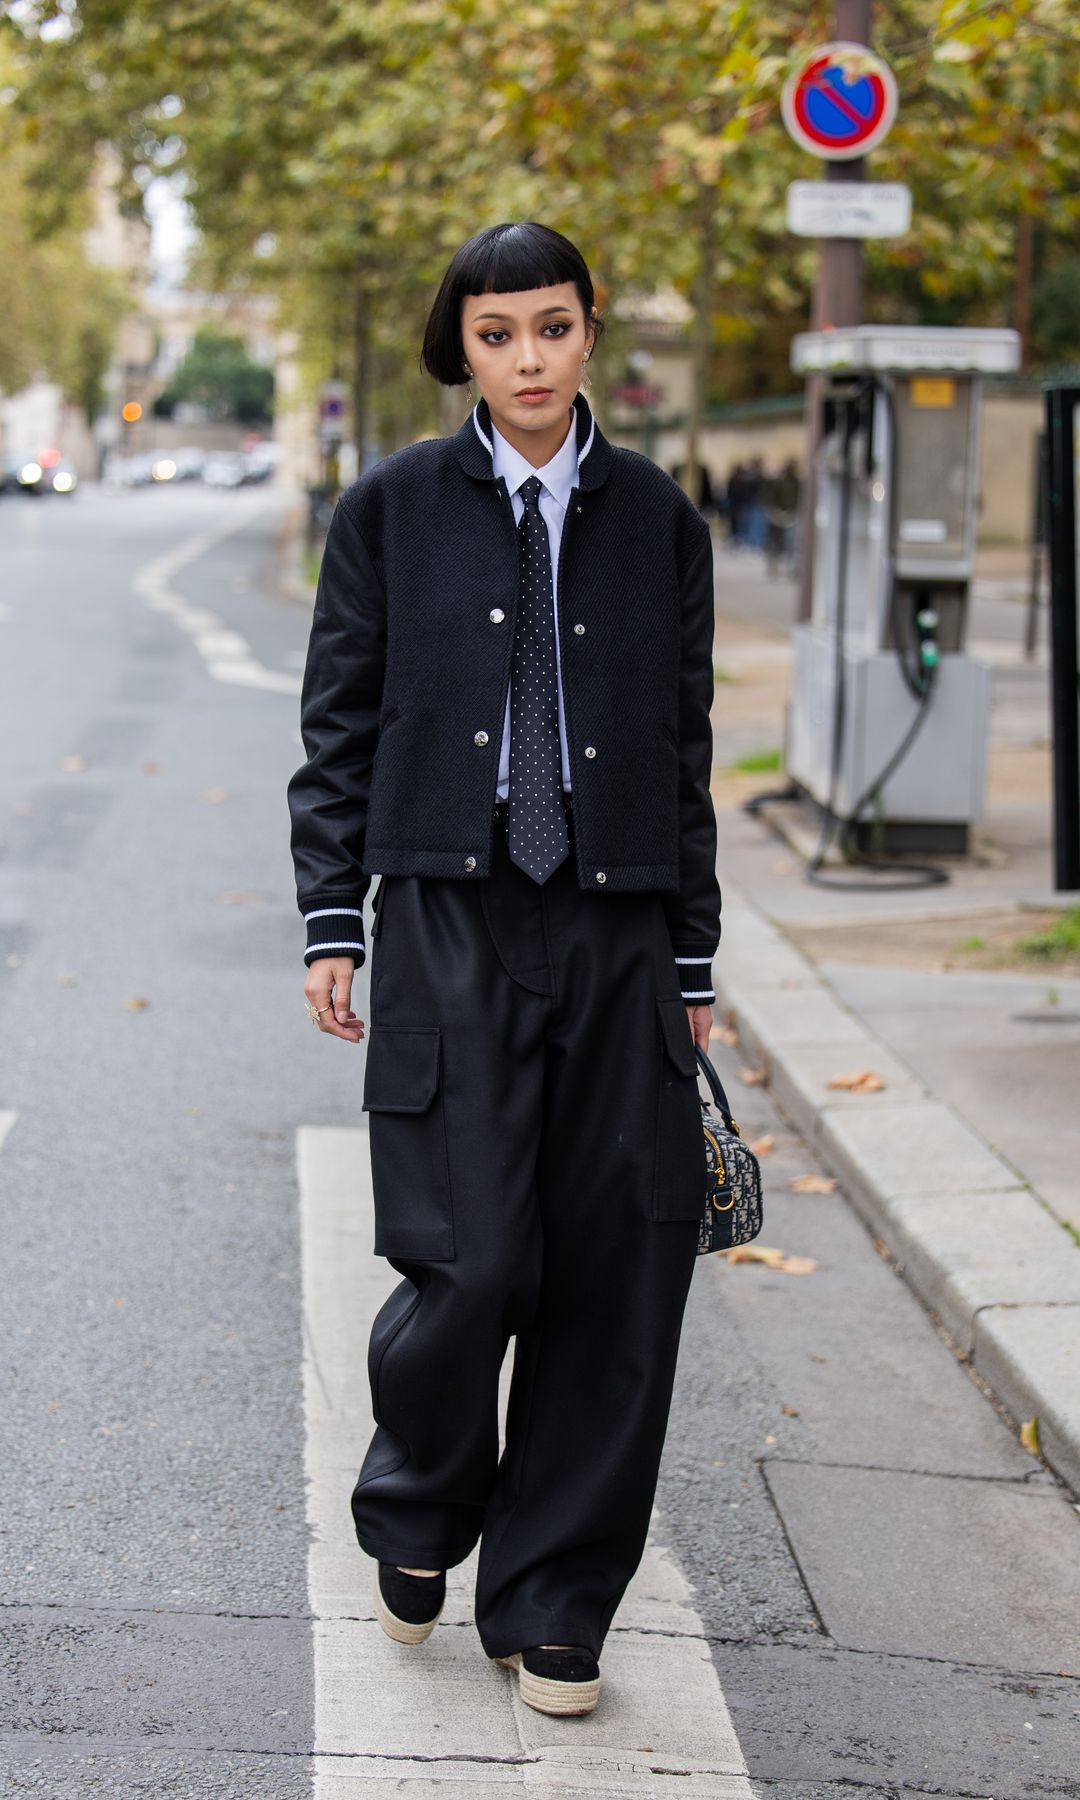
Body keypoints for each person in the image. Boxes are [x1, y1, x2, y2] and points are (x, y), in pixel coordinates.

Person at [287, 221, 720, 1719]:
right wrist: (332, 919)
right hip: (448, 921)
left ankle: (555, 1606)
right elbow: (338, 726)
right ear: (459, 348)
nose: (528, 360)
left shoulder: (659, 518)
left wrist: (694, 952)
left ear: (592, 330)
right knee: (467, 1261)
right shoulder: (394, 508)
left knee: (617, 1282)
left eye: (551, 328)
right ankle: (418, 1509)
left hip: (616, 930)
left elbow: (683, 747)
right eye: (496, 335)